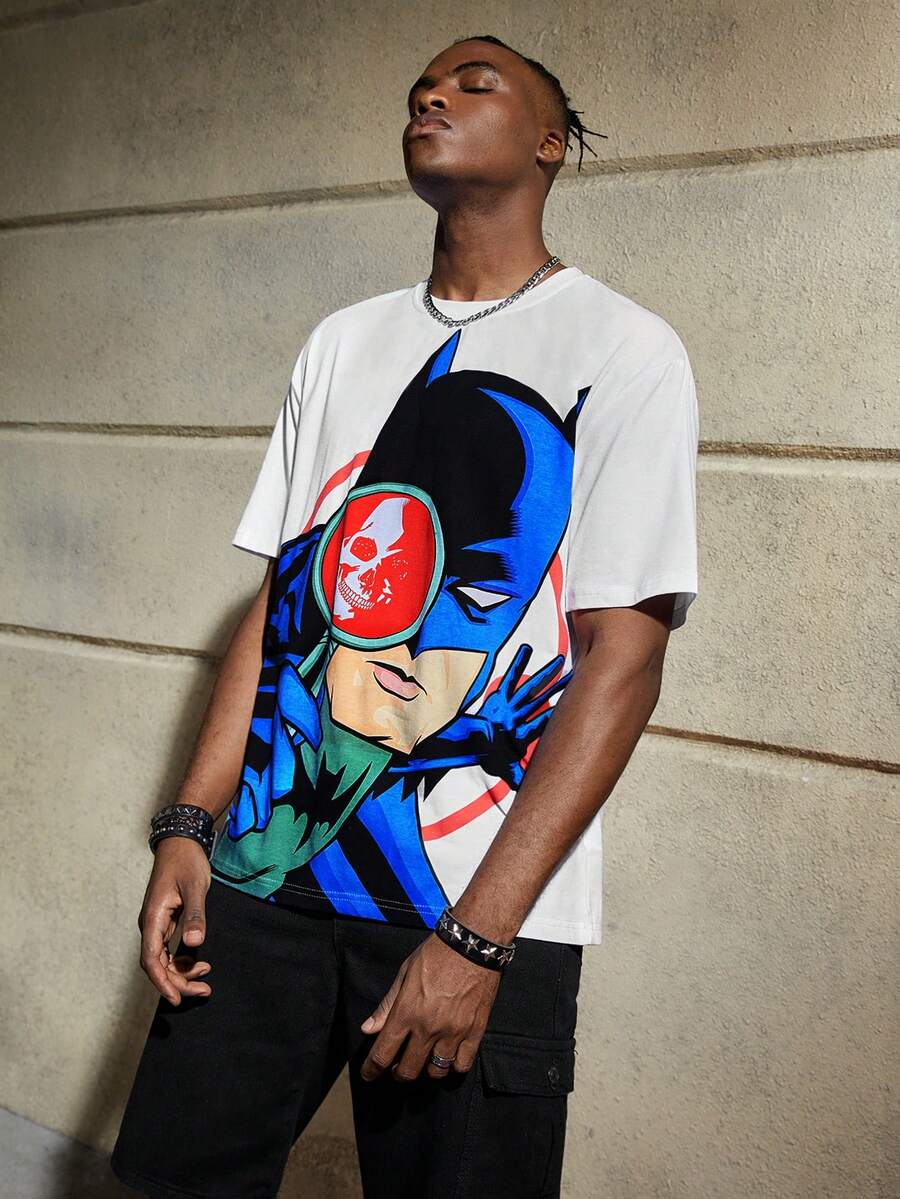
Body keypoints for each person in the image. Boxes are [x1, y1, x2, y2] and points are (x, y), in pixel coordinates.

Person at [110, 32, 699, 1199]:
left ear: (550, 142)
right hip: (262, 884)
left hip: (475, 907)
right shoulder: (343, 342)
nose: (433, 95)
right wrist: (191, 820)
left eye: (476, 83)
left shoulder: (626, 351)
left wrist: (479, 936)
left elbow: (622, 661)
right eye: (423, 86)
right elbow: (278, 603)